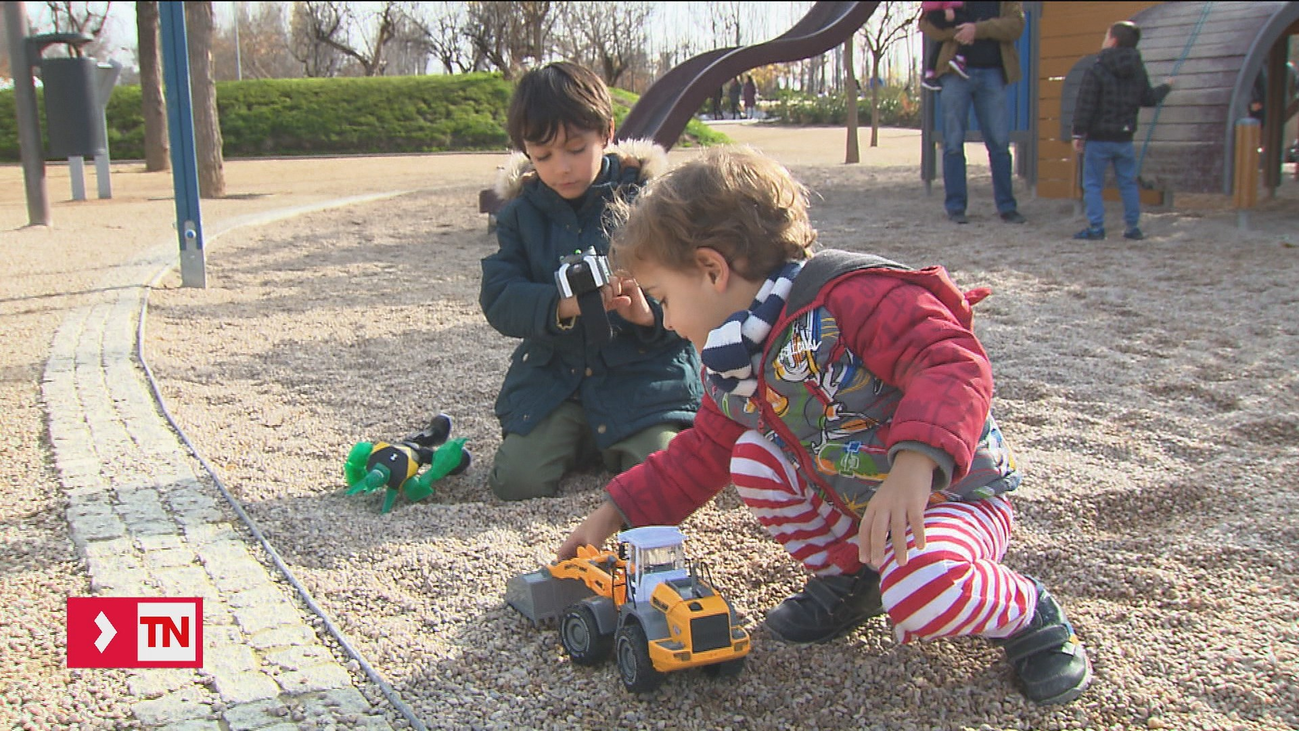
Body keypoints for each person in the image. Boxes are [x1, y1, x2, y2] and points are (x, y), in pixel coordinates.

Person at [558, 146, 1094, 706]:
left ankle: (1034, 614)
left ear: (712, 269)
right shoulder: (737, 364)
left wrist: (915, 467)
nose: (665, 319)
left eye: (664, 298)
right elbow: (699, 455)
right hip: (866, 509)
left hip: (953, 495)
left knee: (920, 592)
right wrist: (615, 513)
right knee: (750, 457)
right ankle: (856, 577)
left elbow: (952, 361)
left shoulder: (850, 297)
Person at [479, 62, 702, 501]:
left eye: (576, 149)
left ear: (607, 133)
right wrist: (565, 304)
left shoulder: (650, 201)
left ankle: (614, 440)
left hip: (640, 375)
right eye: (542, 157)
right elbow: (500, 296)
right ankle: (588, 439)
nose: (561, 168)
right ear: (525, 151)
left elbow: (695, 286)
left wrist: (647, 311)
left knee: (663, 484)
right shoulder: (521, 214)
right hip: (558, 381)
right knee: (515, 482)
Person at [920, 1, 1027, 225]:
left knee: (999, 143)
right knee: (953, 144)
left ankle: (1007, 206)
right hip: (954, 73)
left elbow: (1016, 25)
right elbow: (927, 23)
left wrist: (977, 30)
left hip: (993, 73)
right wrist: (961, 32)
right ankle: (956, 207)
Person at [1070, 21, 1173, 241]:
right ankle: (1132, 227)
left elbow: (1085, 104)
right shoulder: (1137, 69)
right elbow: (1148, 98)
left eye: (1106, 36)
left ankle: (1096, 227)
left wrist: (1078, 133)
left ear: (1113, 40)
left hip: (1098, 139)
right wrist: (1166, 86)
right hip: (1124, 138)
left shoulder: (1097, 67)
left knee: (1093, 184)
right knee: (1127, 183)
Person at [919, 2, 970, 92]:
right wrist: (947, 6)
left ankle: (930, 72)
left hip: (936, 10)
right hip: (941, 10)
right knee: (966, 25)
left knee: (941, 41)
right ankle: (959, 57)